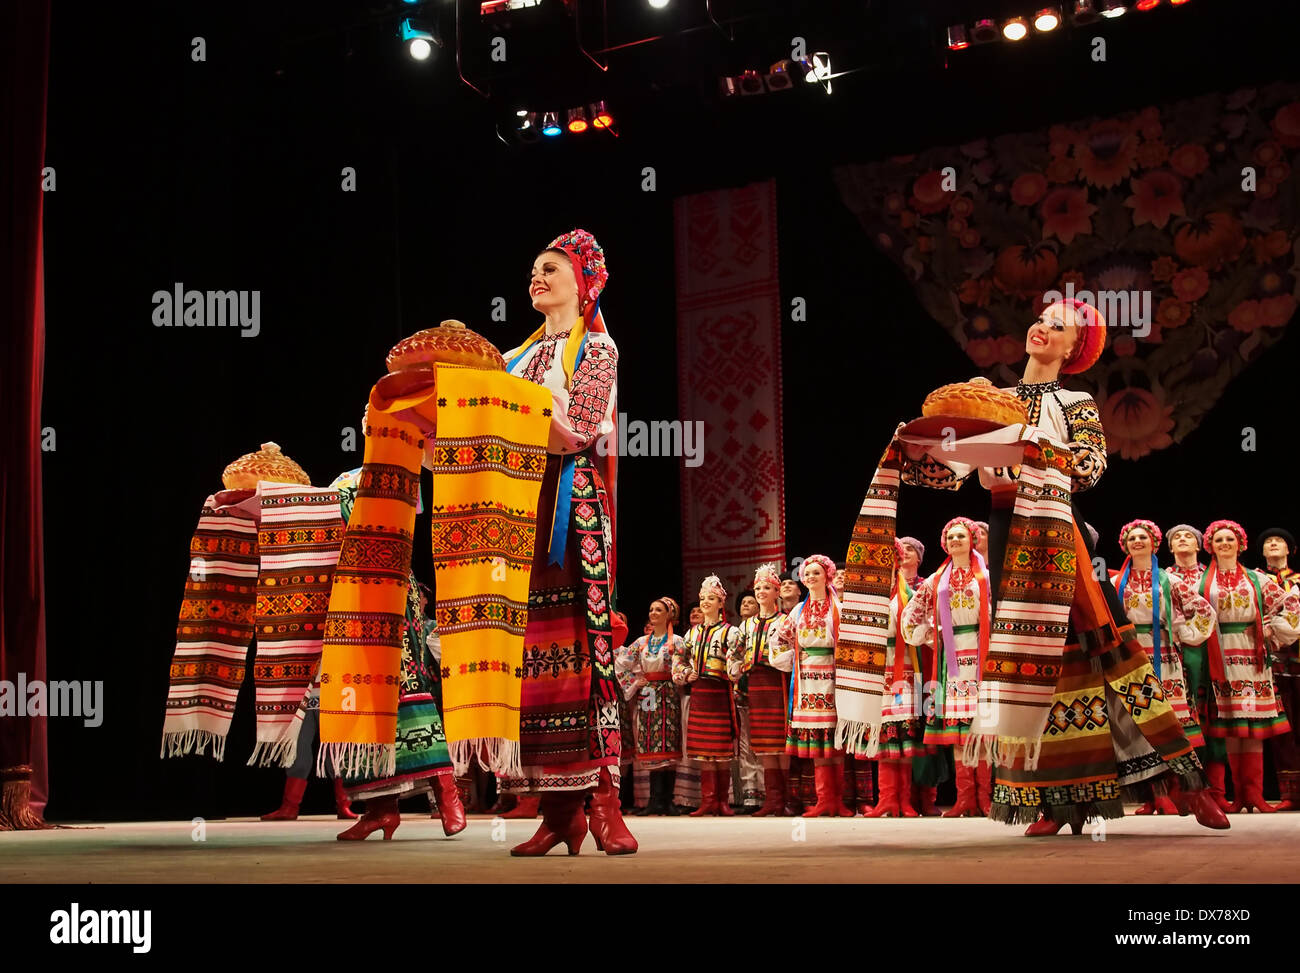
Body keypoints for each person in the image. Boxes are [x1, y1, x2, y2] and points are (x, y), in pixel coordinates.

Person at [891, 299, 1225, 835]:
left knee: (1107, 645)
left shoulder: (1074, 401)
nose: (1042, 328)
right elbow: (949, 474)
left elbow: (1090, 468)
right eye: (1042, 318)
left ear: (1074, 350)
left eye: (1058, 326)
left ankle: (1189, 781)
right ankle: (1055, 800)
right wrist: (919, 447)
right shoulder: (992, 399)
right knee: (1032, 659)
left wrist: (1031, 448)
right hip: (1004, 530)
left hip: (1054, 523)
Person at [500, 229, 636, 857]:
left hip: (571, 509)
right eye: (533, 268)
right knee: (535, 655)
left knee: (588, 649)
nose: (537, 276)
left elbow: (577, 431)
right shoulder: (512, 360)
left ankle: (605, 802)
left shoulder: (599, 351)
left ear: (584, 283)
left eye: (550, 268)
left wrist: (507, 410)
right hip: (525, 513)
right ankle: (558, 812)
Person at [328, 469, 466, 841]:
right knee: (361, 698)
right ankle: (380, 809)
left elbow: (400, 516)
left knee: (407, 686)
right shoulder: (344, 479)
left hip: (390, 586)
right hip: (352, 591)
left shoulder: (398, 469)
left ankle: (446, 792)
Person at [1107, 520, 1214, 815]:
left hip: (1163, 654)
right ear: (1125, 545)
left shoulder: (1169, 581)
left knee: (1170, 723)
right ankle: (1154, 797)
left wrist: (1184, 633)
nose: (1138, 541)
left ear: (1154, 543)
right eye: (1132, 538)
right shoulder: (1117, 582)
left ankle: (1180, 793)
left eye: (1143, 537)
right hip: (1129, 655)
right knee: (1140, 725)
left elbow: (1203, 610)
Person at [1198, 520, 1300, 813]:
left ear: (1240, 544)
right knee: (1230, 725)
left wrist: (1272, 629)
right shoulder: (1203, 582)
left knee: (1253, 725)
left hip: (1252, 655)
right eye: (1219, 540)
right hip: (1218, 653)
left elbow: (1290, 604)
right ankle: (1238, 795)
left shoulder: (1257, 579)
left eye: (1230, 539)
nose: (1225, 544)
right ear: (1211, 546)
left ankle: (1254, 793)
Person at [900, 519, 993, 817]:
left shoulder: (987, 577)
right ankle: (965, 798)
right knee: (958, 731)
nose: (955, 540)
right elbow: (910, 618)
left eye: (961, 536)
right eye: (950, 536)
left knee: (982, 729)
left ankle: (986, 798)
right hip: (951, 660)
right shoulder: (935, 582)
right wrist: (931, 636)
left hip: (982, 655)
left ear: (973, 540)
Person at [779, 555, 848, 816]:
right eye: (807, 574)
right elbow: (780, 639)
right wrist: (794, 657)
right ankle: (823, 800)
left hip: (833, 676)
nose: (810, 578)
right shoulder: (798, 610)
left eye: (816, 573)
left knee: (834, 738)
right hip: (807, 680)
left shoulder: (838, 608)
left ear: (827, 575)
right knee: (818, 742)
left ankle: (837, 800)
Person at [728, 564, 794, 815]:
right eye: (758, 588)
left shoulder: (785, 620)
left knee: (780, 742)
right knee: (764, 744)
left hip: (777, 682)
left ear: (777, 592)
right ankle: (772, 800)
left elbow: (793, 649)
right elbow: (735, 653)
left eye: (767, 587)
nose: (761, 591)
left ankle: (786, 799)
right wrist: (736, 668)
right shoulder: (746, 626)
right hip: (755, 685)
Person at [676, 575, 742, 815]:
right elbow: (678, 660)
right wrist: (685, 673)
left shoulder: (731, 632)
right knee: (704, 753)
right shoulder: (690, 634)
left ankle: (722, 801)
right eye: (702, 598)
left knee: (721, 751)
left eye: (711, 598)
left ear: (721, 603)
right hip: (700, 693)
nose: (705, 602)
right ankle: (708, 800)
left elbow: (736, 662)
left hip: (719, 693)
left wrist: (732, 671)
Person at [618, 598, 687, 815]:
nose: (653, 613)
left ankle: (667, 800)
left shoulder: (677, 641)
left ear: (669, 615)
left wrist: (681, 676)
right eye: (651, 609)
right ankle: (655, 800)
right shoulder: (640, 643)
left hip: (668, 692)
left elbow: (680, 666)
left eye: (659, 610)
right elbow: (620, 664)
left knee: (668, 739)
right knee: (650, 740)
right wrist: (635, 681)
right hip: (648, 693)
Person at [1258, 527, 1300, 810]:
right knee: (1282, 731)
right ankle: (1290, 794)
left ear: (1290, 550)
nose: (1273, 544)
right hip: (1272, 663)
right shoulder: (1255, 580)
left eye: (1279, 541)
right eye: (1268, 542)